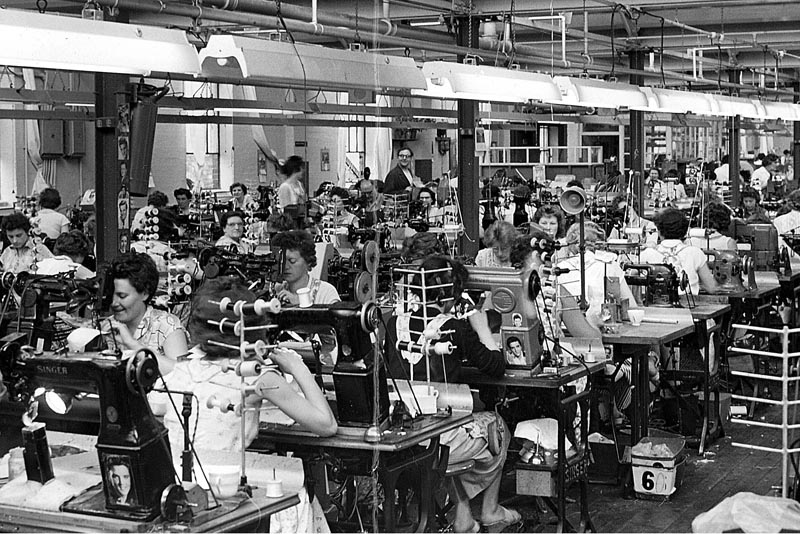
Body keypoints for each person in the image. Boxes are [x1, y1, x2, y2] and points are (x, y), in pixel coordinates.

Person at [159, 277, 335, 532]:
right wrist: (297, 366)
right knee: (296, 490)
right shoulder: (257, 376)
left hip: (180, 489)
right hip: (225, 494)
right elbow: (326, 424)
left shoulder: (182, 368)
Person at [384, 256, 520, 534]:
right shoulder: (454, 327)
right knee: (497, 426)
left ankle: (464, 518)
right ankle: (491, 511)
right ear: (453, 294)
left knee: (456, 428)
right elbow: (495, 366)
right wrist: (482, 329)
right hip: (438, 442)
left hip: (402, 432)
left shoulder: (393, 323)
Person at [105, 252, 188, 374]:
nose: (114, 303)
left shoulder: (166, 326)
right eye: (111, 295)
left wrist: (132, 344)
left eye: (122, 296)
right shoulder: (108, 326)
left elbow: (182, 374)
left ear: (145, 293)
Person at [640, 208, 719, 296]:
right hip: (690, 306)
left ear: (659, 231)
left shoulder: (647, 254)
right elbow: (711, 287)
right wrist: (694, 284)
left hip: (654, 306)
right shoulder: (695, 253)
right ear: (685, 231)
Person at [272, 230, 340, 306]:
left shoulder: (326, 292)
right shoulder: (277, 289)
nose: (285, 266)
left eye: (292, 261)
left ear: (308, 262)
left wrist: (300, 302)